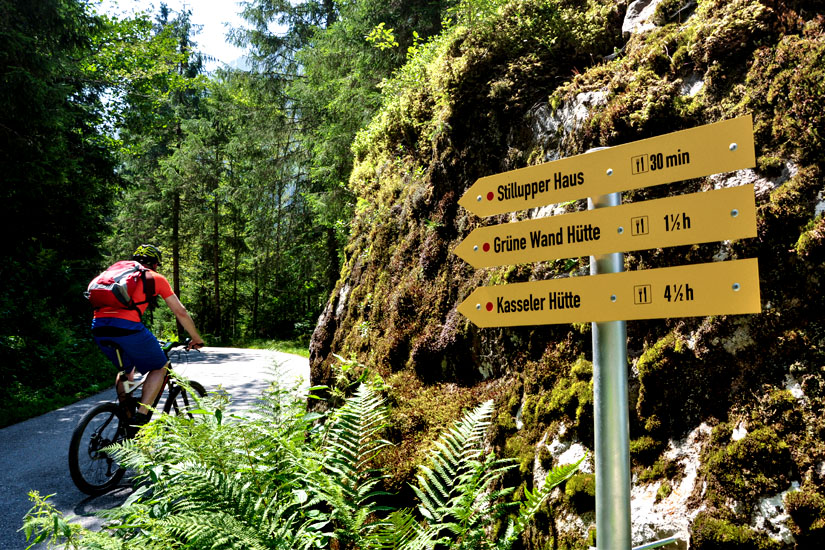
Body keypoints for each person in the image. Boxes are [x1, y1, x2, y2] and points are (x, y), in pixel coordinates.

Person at [90, 244, 205, 434]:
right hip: (128, 328)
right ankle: (141, 419)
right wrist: (196, 338)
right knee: (160, 366)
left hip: (100, 327)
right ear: (156, 264)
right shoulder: (155, 278)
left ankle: (127, 416)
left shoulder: (117, 270)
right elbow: (180, 312)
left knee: (125, 371)